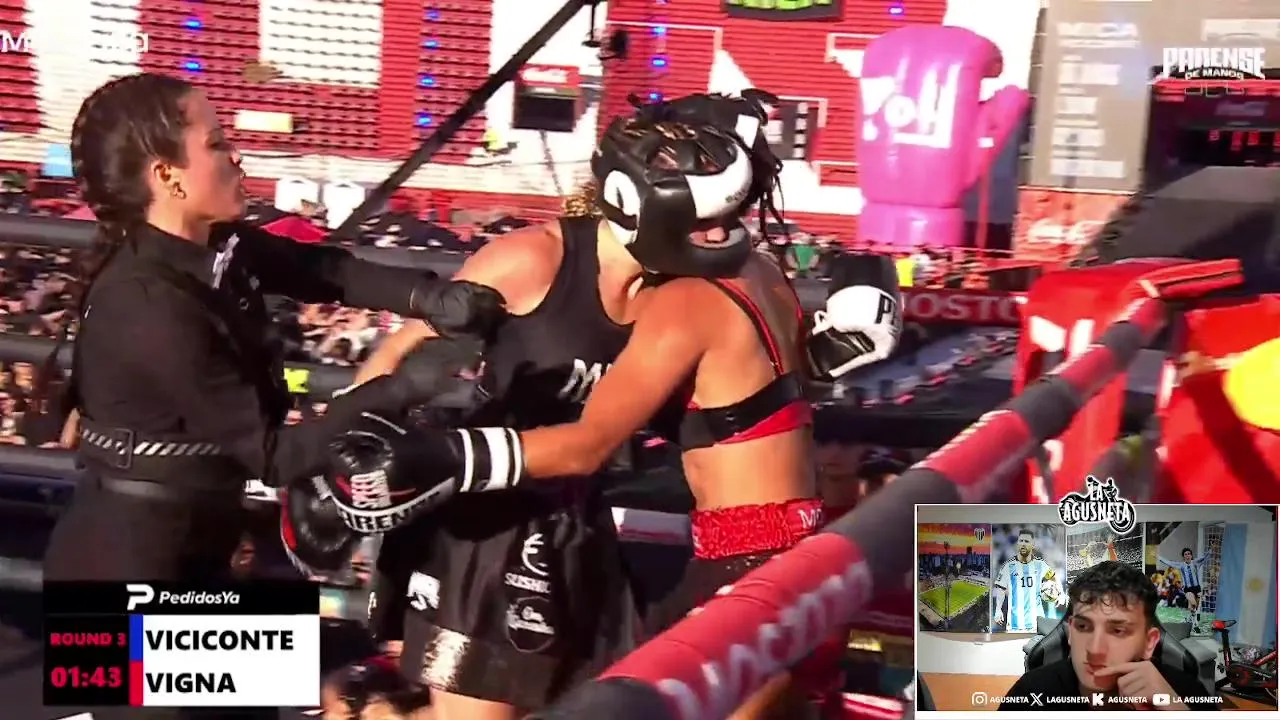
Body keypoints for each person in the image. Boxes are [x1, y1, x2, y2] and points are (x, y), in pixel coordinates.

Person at [322, 113, 904, 717]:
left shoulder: (688, 289)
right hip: (491, 528)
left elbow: (596, 441)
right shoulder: (536, 260)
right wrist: (338, 453)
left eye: (728, 208)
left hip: (589, 519)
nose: (721, 231)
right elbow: (399, 353)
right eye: (706, 214)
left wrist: (442, 457)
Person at [36, 73, 502, 587]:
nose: (237, 156)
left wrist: (429, 296)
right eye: (217, 144)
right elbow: (275, 457)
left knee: (297, 639)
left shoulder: (212, 243)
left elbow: (319, 270)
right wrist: (400, 387)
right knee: (306, 640)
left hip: (189, 539)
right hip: (133, 564)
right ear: (167, 176)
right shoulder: (149, 305)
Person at [999, 561, 1219, 712]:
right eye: (1083, 626)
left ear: (1149, 642)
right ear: (1071, 632)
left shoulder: (1185, 695)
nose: (1094, 649)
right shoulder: (1031, 694)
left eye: (1117, 630)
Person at [994, 530, 1063, 632]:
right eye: (1021, 541)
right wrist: (998, 610)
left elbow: (1054, 576)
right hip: (1015, 624)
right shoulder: (1008, 566)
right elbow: (1001, 589)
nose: (1023, 544)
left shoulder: (1040, 565)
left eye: (1026, 541)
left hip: (1037, 622)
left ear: (1033, 544)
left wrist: (1060, 594)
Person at [1159, 547, 1209, 616]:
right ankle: (1194, 617)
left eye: (1189, 554)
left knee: (1195, 607)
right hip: (1188, 589)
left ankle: (1191, 617)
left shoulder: (1196, 563)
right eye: (1185, 554)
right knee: (1194, 604)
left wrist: (1211, 549)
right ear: (1183, 557)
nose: (1187, 555)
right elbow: (1169, 562)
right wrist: (1157, 557)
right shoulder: (1181, 565)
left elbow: (1205, 557)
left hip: (1197, 588)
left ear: (1191, 555)